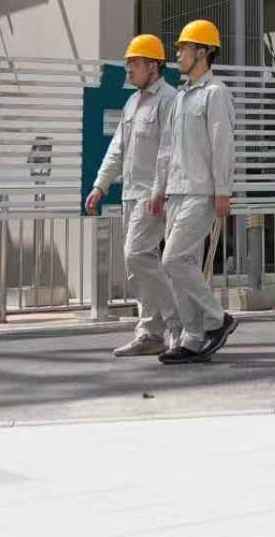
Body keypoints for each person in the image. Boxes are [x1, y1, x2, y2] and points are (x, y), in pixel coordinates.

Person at [85, 34, 180, 357]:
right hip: (131, 194)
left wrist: (160, 189)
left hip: (153, 195)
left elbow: (170, 150)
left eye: (134, 63)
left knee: (137, 255)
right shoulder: (132, 103)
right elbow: (117, 149)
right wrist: (101, 185)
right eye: (127, 64)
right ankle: (151, 333)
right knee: (137, 264)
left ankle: (178, 323)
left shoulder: (170, 100)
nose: (128, 70)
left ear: (153, 65)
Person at [153, 18, 239, 364]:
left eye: (183, 48)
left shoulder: (216, 93)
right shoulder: (181, 97)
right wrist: (159, 189)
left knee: (173, 259)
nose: (177, 54)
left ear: (202, 52)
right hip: (177, 191)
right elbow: (166, 148)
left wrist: (223, 190)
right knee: (178, 264)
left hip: (202, 192)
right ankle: (192, 337)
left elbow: (222, 144)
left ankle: (218, 319)